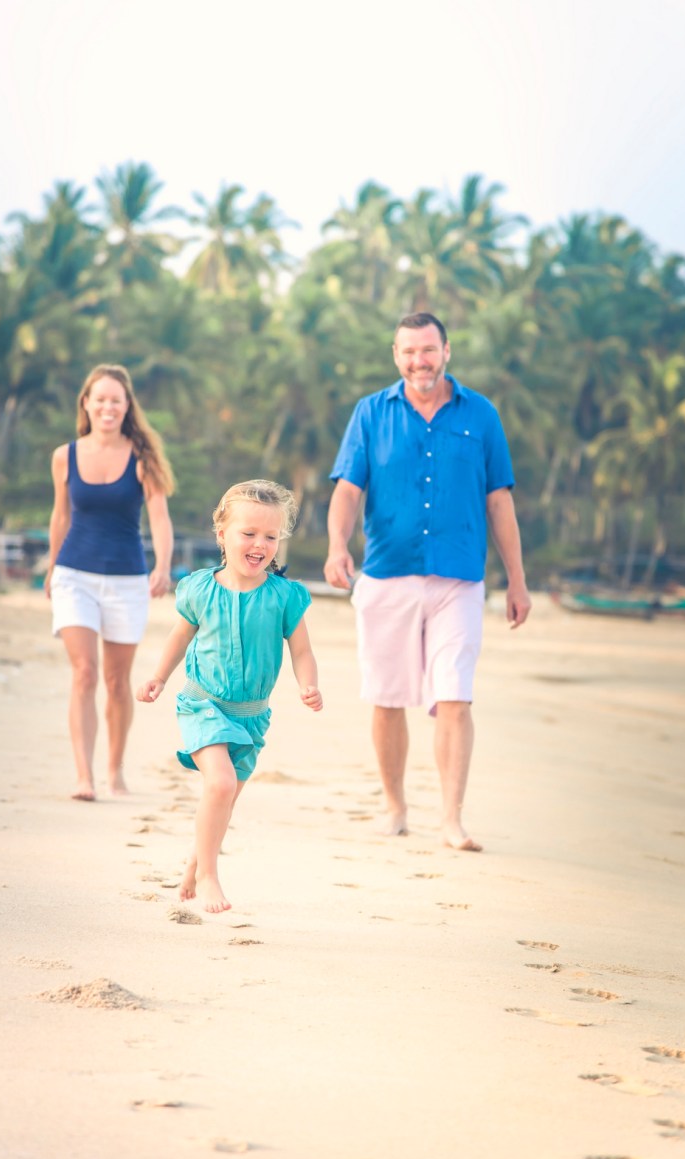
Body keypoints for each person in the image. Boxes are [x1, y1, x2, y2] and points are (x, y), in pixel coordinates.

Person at [324, 312, 531, 851]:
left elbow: (499, 500)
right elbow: (348, 490)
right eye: (409, 352)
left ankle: (451, 818)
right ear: (396, 355)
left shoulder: (481, 415)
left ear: (446, 352)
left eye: (428, 351)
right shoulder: (370, 414)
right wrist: (336, 545)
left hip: (459, 579)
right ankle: (394, 807)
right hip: (387, 574)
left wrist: (517, 580)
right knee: (389, 700)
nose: (419, 361)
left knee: (456, 696)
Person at [136, 479, 322, 912]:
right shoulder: (200, 589)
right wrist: (159, 677)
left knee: (224, 799)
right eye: (249, 533)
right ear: (222, 534)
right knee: (219, 784)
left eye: (271, 536)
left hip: (252, 716)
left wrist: (307, 684)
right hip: (203, 703)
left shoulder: (285, 597)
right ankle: (208, 875)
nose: (260, 544)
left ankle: (190, 869)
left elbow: (303, 651)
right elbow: (179, 638)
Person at [45, 363, 174, 802]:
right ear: (86, 402)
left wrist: (163, 565)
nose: (107, 406)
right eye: (99, 398)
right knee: (84, 672)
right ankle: (84, 777)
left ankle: (115, 771)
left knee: (118, 682)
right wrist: (50, 566)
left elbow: (159, 517)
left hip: (126, 579)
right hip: (73, 574)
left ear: (126, 406)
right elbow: (61, 515)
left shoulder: (143, 459)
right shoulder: (65, 455)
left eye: (115, 400)